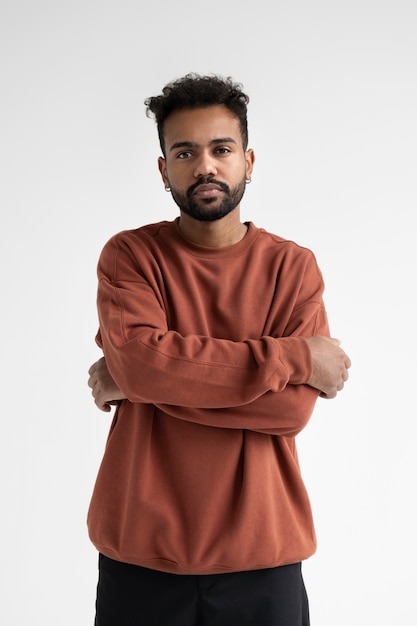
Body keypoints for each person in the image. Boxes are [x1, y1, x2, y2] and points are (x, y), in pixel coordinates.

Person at [87, 73, 351, 626]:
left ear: (248, 162)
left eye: (221, 149)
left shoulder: (291, 267)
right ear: (164, 170)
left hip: (264, 557)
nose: (204, 165)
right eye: (184, 152)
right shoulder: (131, 257)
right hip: (141, 557)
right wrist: (297, 359)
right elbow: (141, 363)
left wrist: (144, 383)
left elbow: (291, 409)